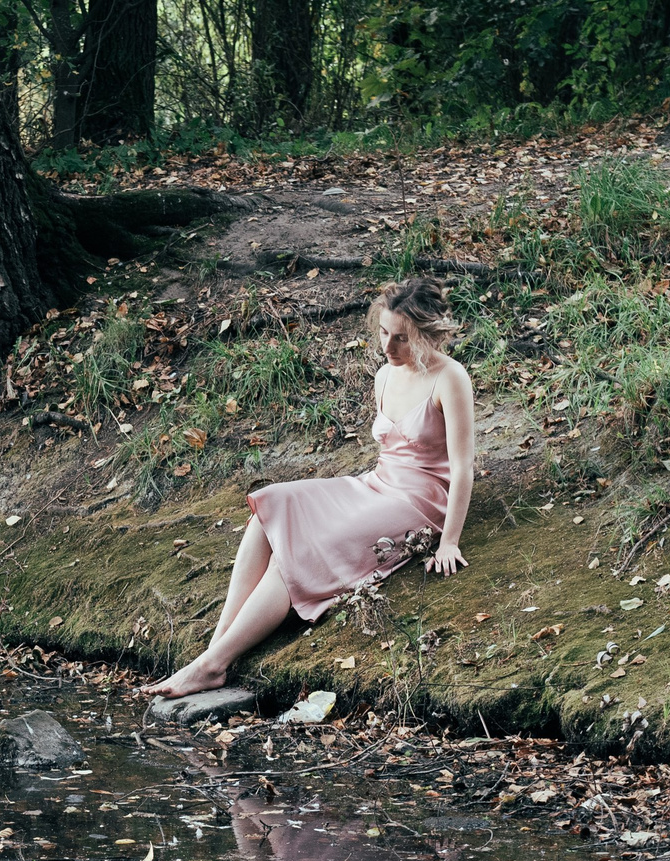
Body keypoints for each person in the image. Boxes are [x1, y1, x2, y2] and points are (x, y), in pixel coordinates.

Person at [146, 276, 476, 700]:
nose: (388, 348)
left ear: (427, 335)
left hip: (418, 502)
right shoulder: (384, 376)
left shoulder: (450, 377)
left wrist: (449, 542)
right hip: (376, 484)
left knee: (296, 557)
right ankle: (214, 647)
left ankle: (213, 666)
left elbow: (463, 468)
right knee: (271, 507)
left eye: (401, 339)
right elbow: (390, 452)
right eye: (383, 334)